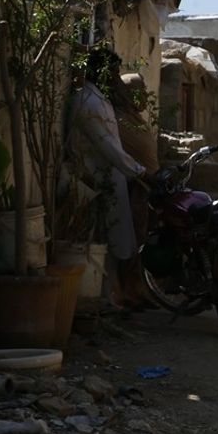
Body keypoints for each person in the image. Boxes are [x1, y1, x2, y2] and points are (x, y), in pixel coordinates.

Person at [67, 47, 153, 310]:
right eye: (112, 72)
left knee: (111, 242)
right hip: (94, 183)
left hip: (113, 182)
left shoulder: (99, 100)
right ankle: (96, 299)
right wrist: (139, 172)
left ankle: (108, 297)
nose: (116, 78)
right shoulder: (88, 102)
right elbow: (109, 148)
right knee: (96, 243)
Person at [109, 70, 160, 310]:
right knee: (132, 240)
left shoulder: (134, 118)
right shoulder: (118, 119)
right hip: (133, 187)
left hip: (147, 187)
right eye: (137, 93)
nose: (142, 97)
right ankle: (127, 289)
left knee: (142, 239)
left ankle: (138, 287)